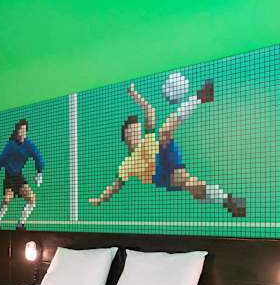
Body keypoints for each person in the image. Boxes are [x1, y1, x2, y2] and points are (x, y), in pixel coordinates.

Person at [89, 79, 246, 217]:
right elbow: (114, 187)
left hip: (163, 153)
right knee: (189, 184)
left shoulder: (147, 139)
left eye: (138, 130)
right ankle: (226, 200)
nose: (137, 134)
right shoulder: (126, 165)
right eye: (133, 131)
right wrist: (100, 199)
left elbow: (150, 111)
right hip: (159, 175)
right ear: (126, 136)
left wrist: (134, 94)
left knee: (164, 131)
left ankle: (199, 97)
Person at [0, 119, 44, 230]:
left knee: (32, 199)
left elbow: (38, 156)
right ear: (17, 132)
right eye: (20, 130)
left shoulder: (29, 144)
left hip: (18, 177)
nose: (21, 133)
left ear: (26, 132)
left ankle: (20, 225)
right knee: (7, 199)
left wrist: (39, 172)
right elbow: (0, 160)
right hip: (9, 177)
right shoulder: (11, 145)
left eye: (24, 130)